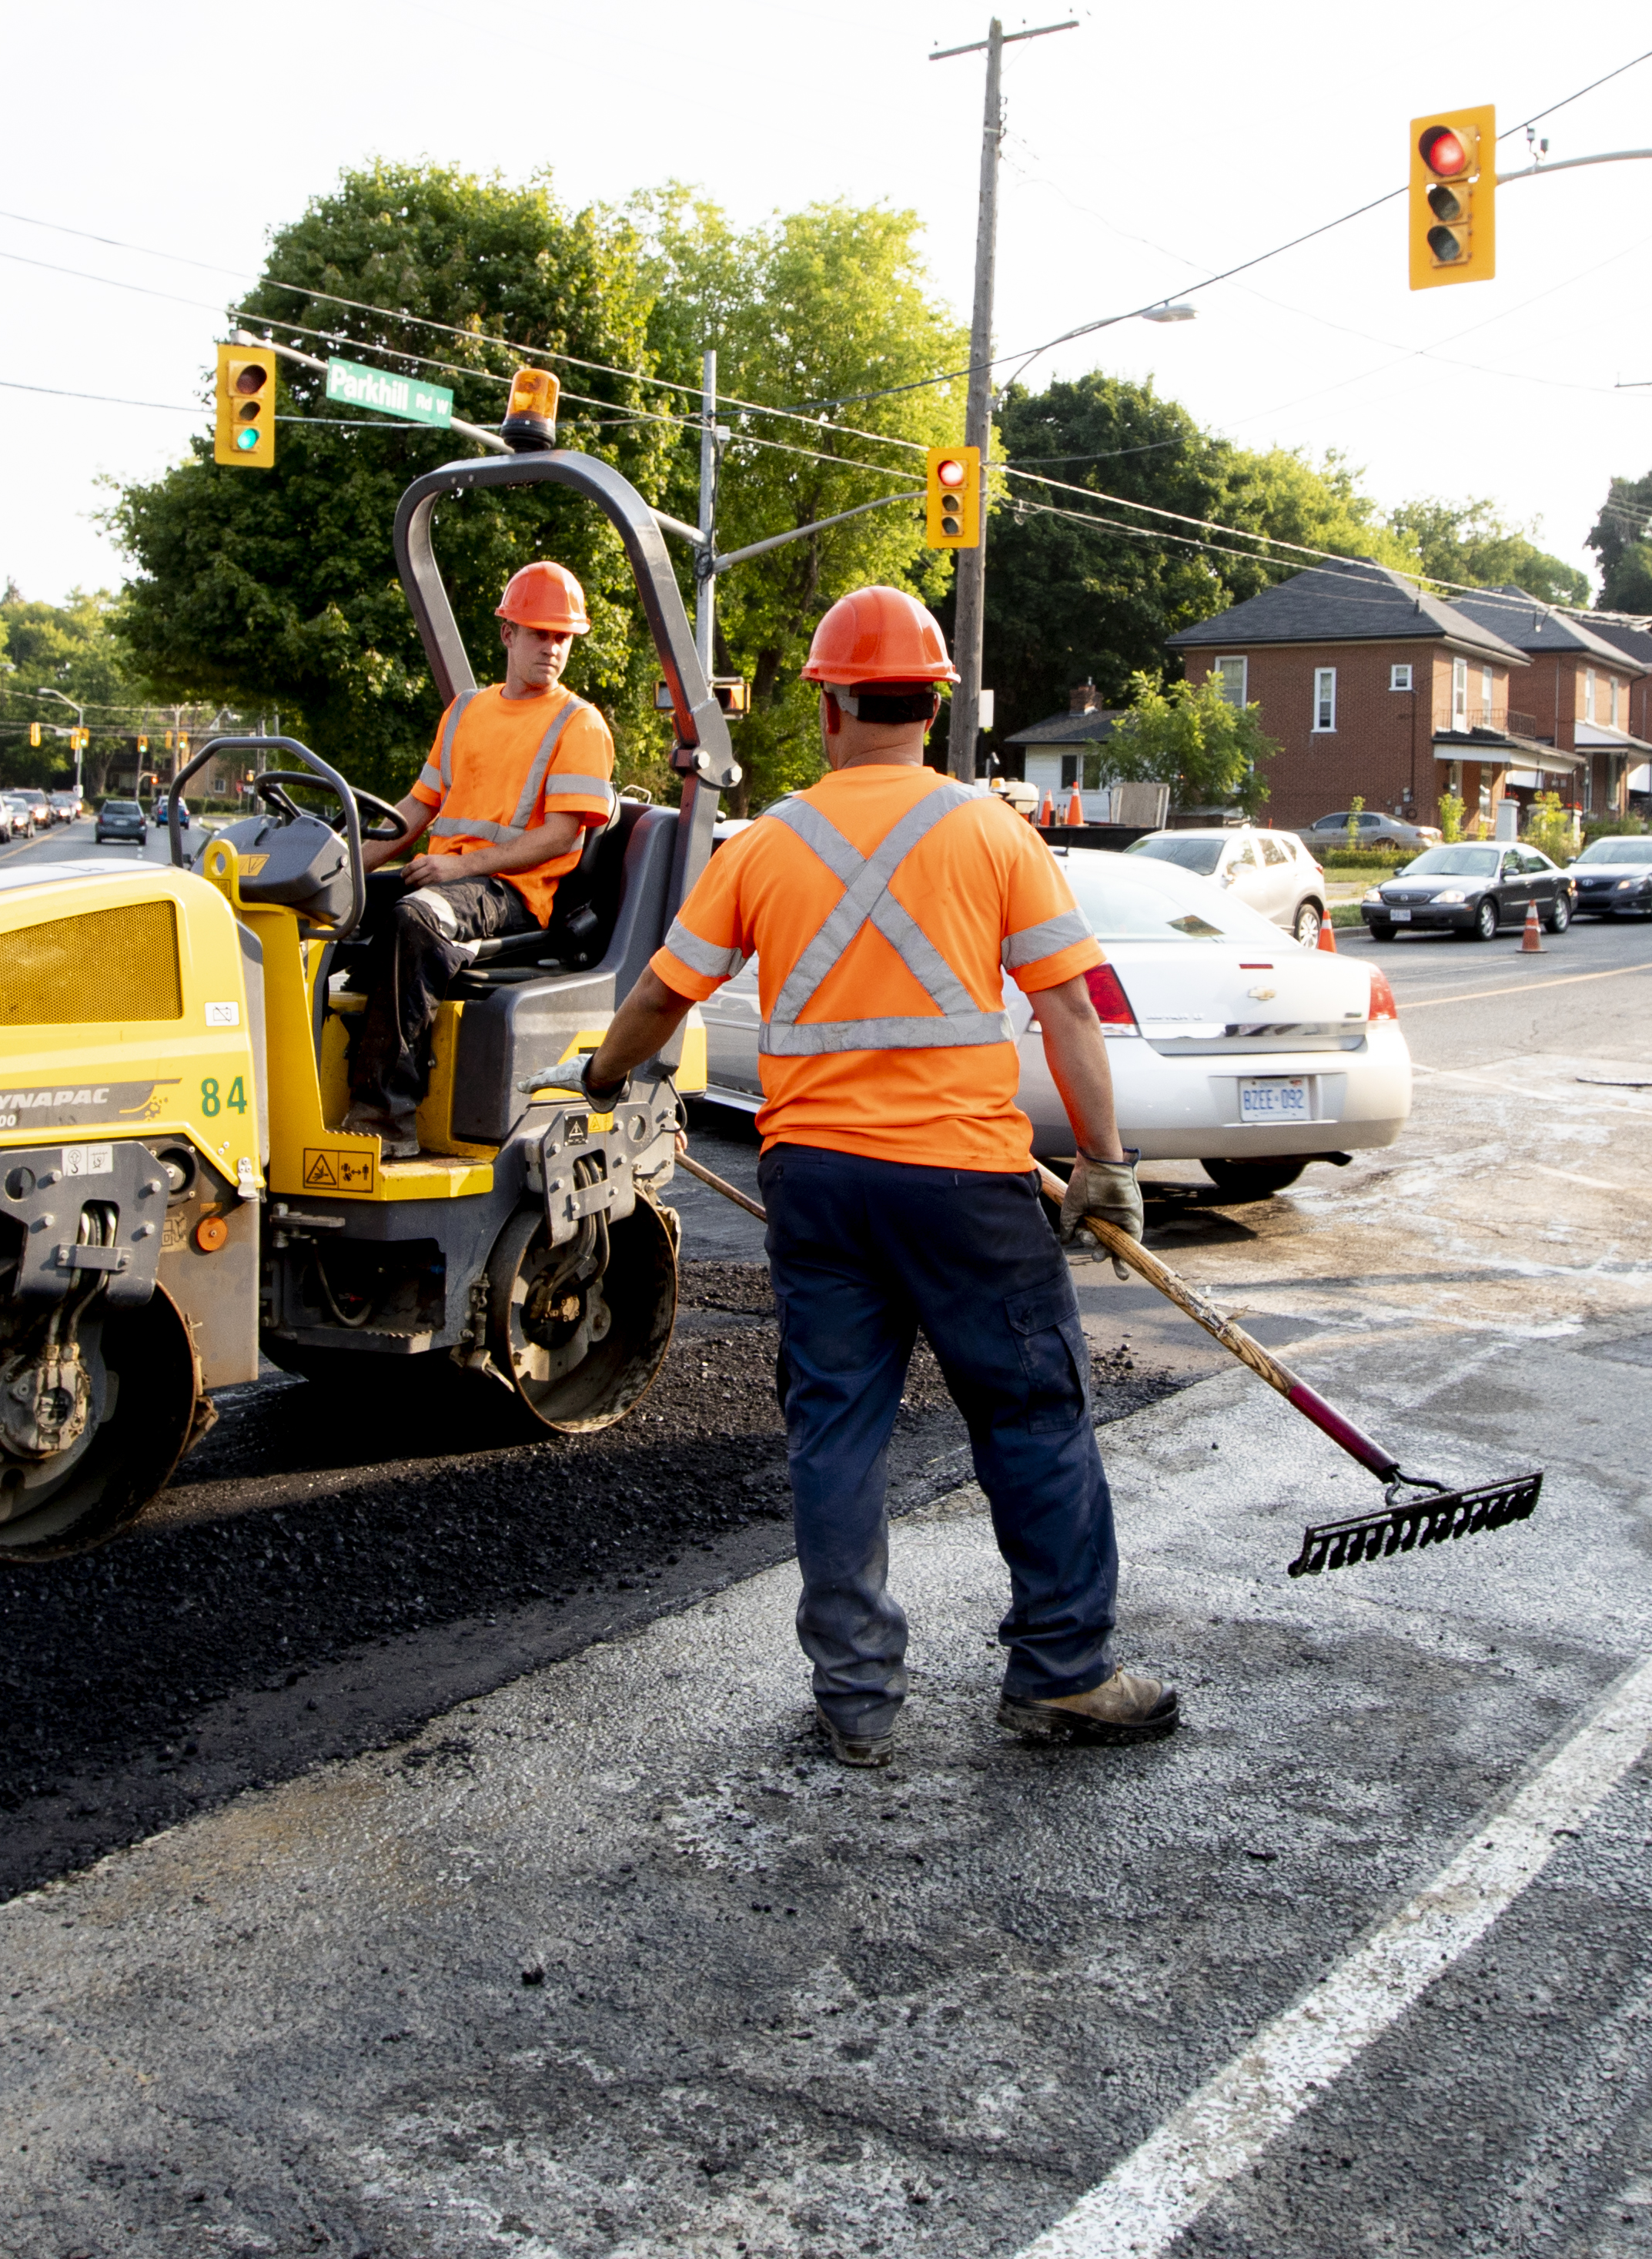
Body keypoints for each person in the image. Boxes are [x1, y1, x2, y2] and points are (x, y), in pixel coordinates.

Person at [553, 585, 1171, 1765]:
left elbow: (656, 998)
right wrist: (1101, 1162)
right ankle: (1060, 1675)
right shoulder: (994, 833)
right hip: (963, 1189)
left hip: (818, 1185)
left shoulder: (770, 841)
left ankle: (855, 1698)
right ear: (932, 709)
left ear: (830, 704)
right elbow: (1069, 1016)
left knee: (835, 1431)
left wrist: (601, 1075)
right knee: (1032, 1418)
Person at [343, 560, 617, 1157]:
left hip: (513, 894)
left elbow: (560, 836)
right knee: (330, 912)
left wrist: (461, 866)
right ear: (507, 634)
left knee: (417, 919)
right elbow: (415, 810)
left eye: (561, 637)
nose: (551, 648)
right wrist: (342, 873)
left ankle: (385, 1115)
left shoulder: (579, 724)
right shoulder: (466, 710)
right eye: (539, 633)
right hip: (445, 880)